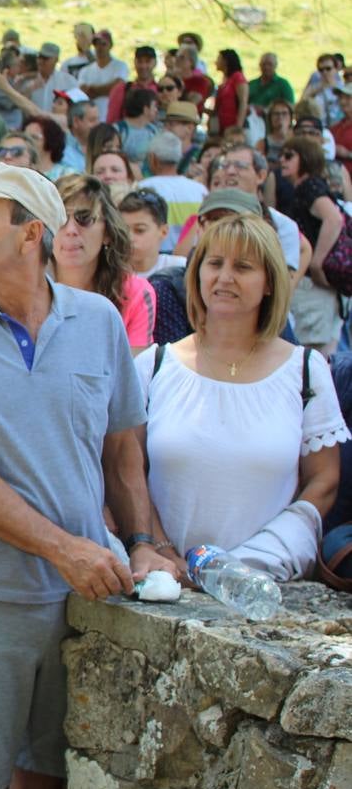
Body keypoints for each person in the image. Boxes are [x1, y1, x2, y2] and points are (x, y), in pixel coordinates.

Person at [0, 163, 175, 789]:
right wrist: (66, 549)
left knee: (49, 775)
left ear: (31, 234)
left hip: (81, 598)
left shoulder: (98, 321)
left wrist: (141, 543)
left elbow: (123, 450)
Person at [136, 214, 347, 579]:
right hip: (165, 580)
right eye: (214, 263)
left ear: (269, 282)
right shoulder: (154, 366)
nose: (225, 277)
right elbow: (127, 472)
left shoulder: (306, 371)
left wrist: (243, 565)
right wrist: (164, 552)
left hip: (267, 586)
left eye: (243, 266)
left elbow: (323, 482)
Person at [54, 174, 157, 352]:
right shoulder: (27, 289)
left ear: (107, 232)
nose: (70, 230)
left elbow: (133, 375)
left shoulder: (135, 293)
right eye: (59, 218)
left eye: (84, 218)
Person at [279, 135, 346, 352]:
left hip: (314, 288)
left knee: (311, 358)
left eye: (289, 156)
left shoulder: (310, 186)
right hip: (321, 290)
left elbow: (334, 219)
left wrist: (317, 262)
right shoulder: (310, 186)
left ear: (305, 159)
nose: (282, 160)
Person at [139, 131, 208, 249]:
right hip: (191, 260)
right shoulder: (200, 190)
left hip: (155, 260)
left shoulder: (142, 189)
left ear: (153, 158)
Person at [119, 188, 184, 277]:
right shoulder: (110, 274)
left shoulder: (180, 268)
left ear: (163, 232)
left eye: (139, 230)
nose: (129, 238)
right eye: (123, 230)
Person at [77, 30, 128, 121]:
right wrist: (105, 90)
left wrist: (92, 89)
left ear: (110, 45)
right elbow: (82, 94)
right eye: (97, 45)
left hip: (113, 119)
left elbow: (117, 87)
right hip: (91, 121)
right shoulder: (85, 71)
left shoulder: (120, 66)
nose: (100, 48)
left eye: (103, 44)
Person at [22, 116, 73, 180]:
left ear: (50, 141)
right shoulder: (19, 171)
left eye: (34, 137)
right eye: (24, 137)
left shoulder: (67, 174)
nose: (25, 142)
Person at [212, 49, 250, 136]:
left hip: (233, 126)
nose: (216, 62)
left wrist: (238, 127)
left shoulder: (237, 77)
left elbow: (243, 102)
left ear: (225, 61)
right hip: (222, 126)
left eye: (218, 59)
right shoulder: (225, 80)